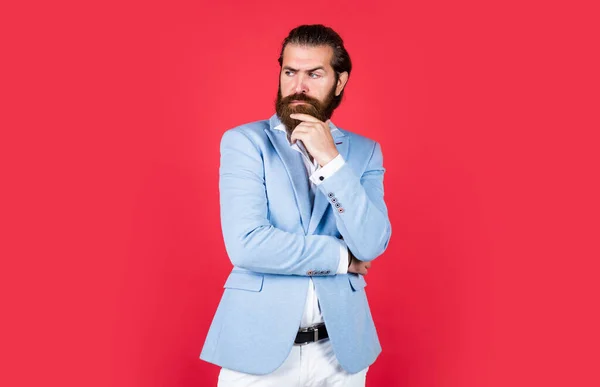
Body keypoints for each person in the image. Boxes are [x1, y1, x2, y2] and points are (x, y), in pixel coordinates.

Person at [200, 24, 392, 387]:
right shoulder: (245, 142)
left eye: (314, 74)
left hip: (341, 353)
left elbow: (370, 244)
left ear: (339, 82)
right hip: (258, 350)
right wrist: (341, 259)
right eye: (290, 72)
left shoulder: (365, 152)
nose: (298, 86)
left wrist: (332, 162)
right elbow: (247, 244)